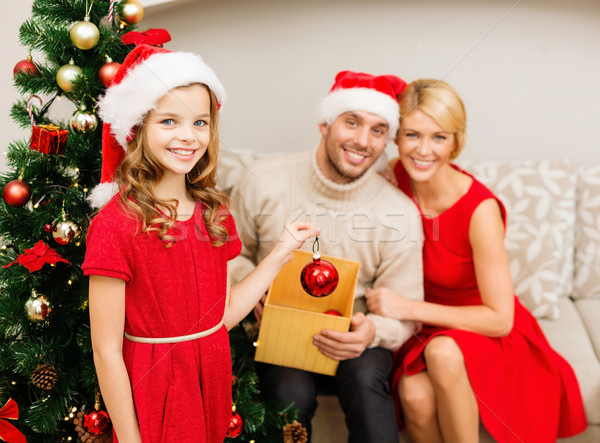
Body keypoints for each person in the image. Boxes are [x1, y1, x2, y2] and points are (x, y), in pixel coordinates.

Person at [81, 44, 319, 443]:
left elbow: (221, 318)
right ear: (138, 128)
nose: (188, 137)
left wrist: (280, 252)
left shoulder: (214, 212)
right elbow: (106, 350)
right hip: (155, 385)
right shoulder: (116, 224)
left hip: (210, 378)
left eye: (200, 123)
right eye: (169, 121)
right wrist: (129, 438)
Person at [365, 78, 588, 443]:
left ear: (456, 141)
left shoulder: (479, 209)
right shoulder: (394, 177)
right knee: (413, 395)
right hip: (423, 325)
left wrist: (406, 307)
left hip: (479, 327)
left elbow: (500, 319)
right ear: (396, 136)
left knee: (442, 352)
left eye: (439, 137)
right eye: (412, 135)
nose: (423, 150)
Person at [229, 71, 424, 442]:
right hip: (277, 329)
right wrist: (252, 289)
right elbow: (228, 255)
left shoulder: (399, 212)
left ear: (387, 140)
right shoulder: (263, 180)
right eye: (352, 123)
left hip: (357, 336)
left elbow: (406, 310)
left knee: (367, 385)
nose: (362, 141)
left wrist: (373, 331)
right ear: (325, 124)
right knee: (289, 395)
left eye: (378, 130)